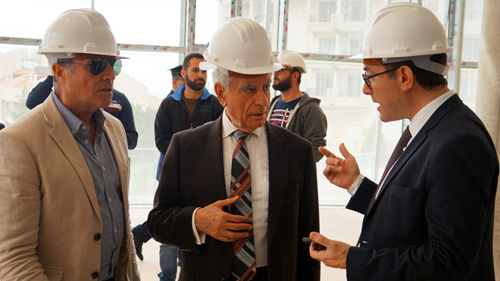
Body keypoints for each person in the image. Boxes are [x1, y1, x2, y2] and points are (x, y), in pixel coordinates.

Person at [308, 3, 498, 281]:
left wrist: (351, 258)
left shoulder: (458, 143)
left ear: (405, 77)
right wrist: (356, 184)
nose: (365, 89)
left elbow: (449, 264)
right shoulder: (430, 128)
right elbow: (410, 217)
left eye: (368, 76)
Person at [147, 17, 320, 281]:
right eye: (249, 90)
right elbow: (158, 222)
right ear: (222, 93)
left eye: (265, 86)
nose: (263, 101)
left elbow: (308, 240)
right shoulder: (185, 146)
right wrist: (198, 220)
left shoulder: (298, 151)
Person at [0, 9, 140, 281]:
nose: (111, 74)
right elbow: (14, 258)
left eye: (115, 64)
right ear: (59, 72)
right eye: (97, 65)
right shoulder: (19, 142)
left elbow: (120, 224)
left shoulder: (117, 131)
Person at [133, 55, 223, 280]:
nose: (200, 75)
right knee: (170, 228)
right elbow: (161, 139)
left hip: (203, 178)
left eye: (203, 71)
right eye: (195, 71)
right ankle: (167, 277)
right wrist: (182, 159)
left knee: (196, 225)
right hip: (171, 175)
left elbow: (219, 138)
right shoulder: (168, 104)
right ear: (184, 74)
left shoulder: (214, 104)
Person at [26, 75, 139, 150]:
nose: (109, 74)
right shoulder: (65, 98)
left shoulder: (119, 100)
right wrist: (54, 75)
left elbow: (132, 140)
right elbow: (32, 103)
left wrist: (100, 138)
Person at [268, 50, 327, 162]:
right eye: (275, 70)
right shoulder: (273, 103)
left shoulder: (311, 109)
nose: (275, 74)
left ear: (295, 75)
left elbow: (317, 148)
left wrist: (294, 169)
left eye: (280, 70)